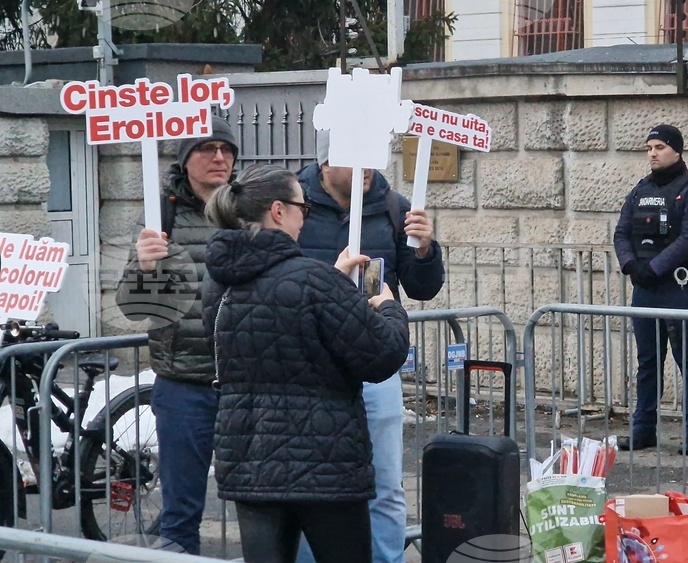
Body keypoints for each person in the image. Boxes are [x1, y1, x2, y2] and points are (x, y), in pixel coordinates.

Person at [202, 164, 410, 563]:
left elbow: (281, 327)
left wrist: (334, 283)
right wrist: (388, 309)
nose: (305, 218)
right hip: (325, 465)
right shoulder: (313, 281)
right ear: (278, 211)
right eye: (303, 208)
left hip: (249, 460)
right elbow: (382, 354)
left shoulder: (219, 283)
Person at [294, 130, 444, 563]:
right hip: (312, 369)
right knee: (307, 484)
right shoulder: (294, 206)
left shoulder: (394, 207)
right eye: (354, 157)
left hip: (374, 367)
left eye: (372, 155)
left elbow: (422, 288)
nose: (367, 168)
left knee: (386, 484)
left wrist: (424, 250)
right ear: (326, 163)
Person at [115, 116, 238, 554]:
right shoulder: (160, 216)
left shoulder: (249, 209)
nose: (219, 157)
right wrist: (145, 268)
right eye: (207, 148)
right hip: (185, 384)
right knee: (181, 511)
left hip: (247, 382)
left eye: (226, 149)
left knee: (261, 502)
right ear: (185, 159)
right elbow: (136, 309)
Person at [613, 124, 688, 454]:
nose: (652, 153)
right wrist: (631, 265)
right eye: (649, 148)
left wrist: (654, 268)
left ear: (677, 150)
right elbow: (621, 233)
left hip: (679, 289)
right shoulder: (640, 190)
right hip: (645, 289)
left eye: (659, 147)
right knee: (647, 364)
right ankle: (643, 430)